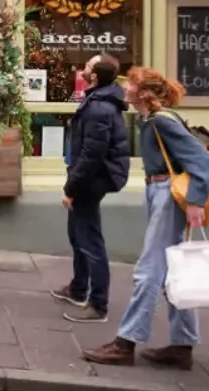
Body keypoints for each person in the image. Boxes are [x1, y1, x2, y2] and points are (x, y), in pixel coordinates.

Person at [82, 66, 209, 369]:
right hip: (161, 191)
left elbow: (198, 160)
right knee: (172, 272)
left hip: (169, 194)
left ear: (142, 93)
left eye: (130, 85)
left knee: (149, 270)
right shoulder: (151, 120)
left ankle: (125, 343)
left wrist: (195, 201)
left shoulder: (160, 121)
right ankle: (182, 346)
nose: (124, 88)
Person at [53, 54, 129, 323]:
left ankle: (98, 304)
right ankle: (78, 288)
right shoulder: (99, 99)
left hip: (92, 179)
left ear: (95, 75)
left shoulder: (100, 107)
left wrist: (71, 188)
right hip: (89, 176)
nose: (83, 68)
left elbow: (91, 154)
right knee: (78, 234)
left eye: (88, 66)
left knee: (89, 240)